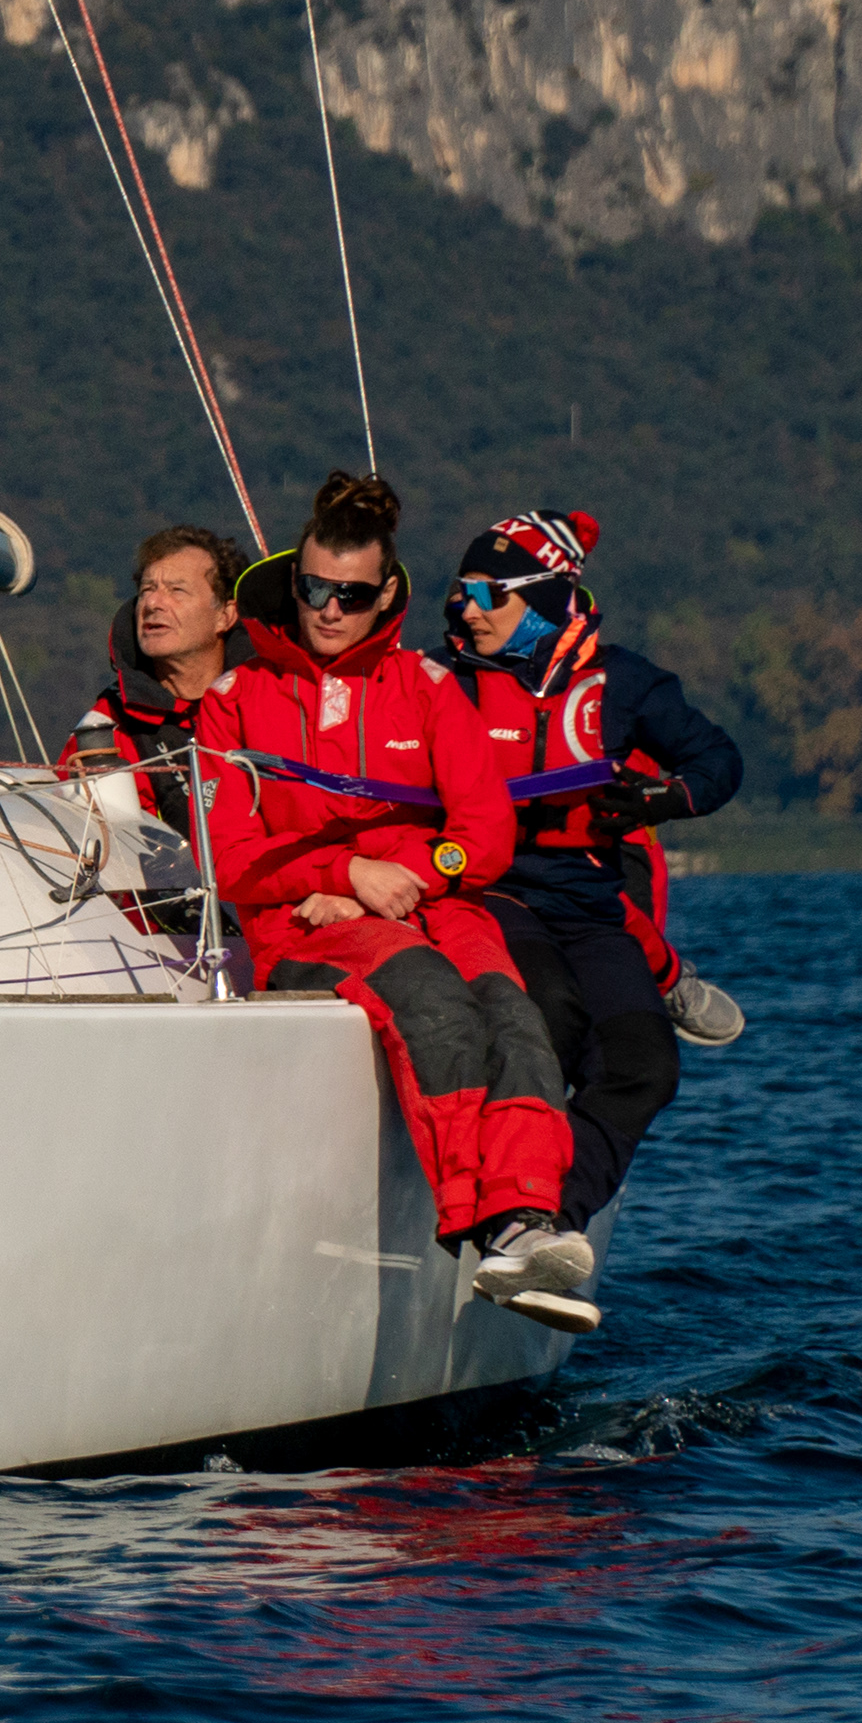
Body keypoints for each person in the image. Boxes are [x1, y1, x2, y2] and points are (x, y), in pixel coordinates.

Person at [196, 471, 596, 1328]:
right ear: (292, 580)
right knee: (435, 1002)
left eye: (348, 594)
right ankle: (485, 1221)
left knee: (512, 1012)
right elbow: (230, 861)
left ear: (384, 596)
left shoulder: (427, 686)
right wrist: (343, 880)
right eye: (312, 589)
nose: (327, 610)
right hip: (298, 921)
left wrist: (401, 873)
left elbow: (484, 834)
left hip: (428, 902)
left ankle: (528, 1216)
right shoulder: (236, 702)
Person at [437, 508, 744, 1239]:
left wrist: (663, 797)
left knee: (646, 1067)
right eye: (461, 593)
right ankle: (513, 1207)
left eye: (487, 595)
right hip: (494, 891)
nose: (466, 611)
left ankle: (552, 1224)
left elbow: (719, 762)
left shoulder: (626, 682)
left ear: (544, 596)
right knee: (552, 1014)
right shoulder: (445, 681)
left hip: (588, 903)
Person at [57, 525, 249, 836]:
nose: (153, 604)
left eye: (176, 590)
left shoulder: (273, 698)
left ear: (225, 616)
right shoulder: (107, 728)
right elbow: (102, 853)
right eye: (147, 589)